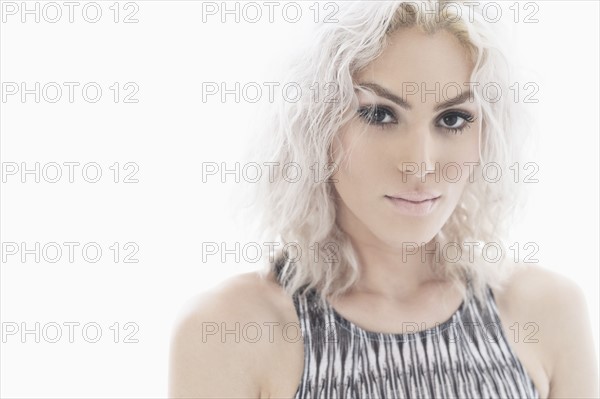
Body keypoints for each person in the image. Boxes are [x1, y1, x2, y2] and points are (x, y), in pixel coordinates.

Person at [168, 1, 598, 398]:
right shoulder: (231, 330)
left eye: (453, 118)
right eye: (380, 114)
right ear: (317, 125)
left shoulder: (547, 311)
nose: (420, 164)